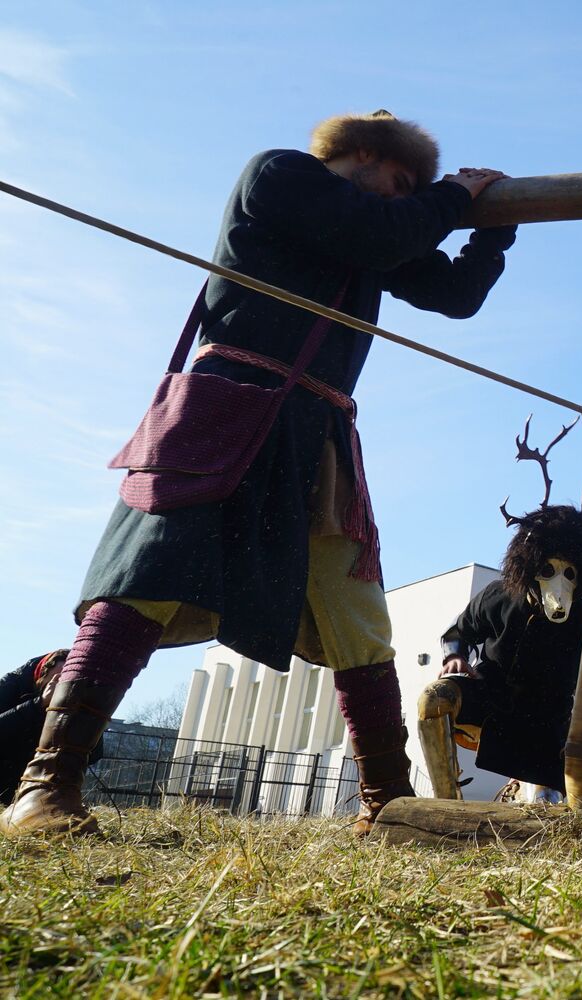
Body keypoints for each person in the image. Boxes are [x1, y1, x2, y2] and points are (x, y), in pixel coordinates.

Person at [1, 111, 515, 838]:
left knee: (357, 613)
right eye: (400, 181)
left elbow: (453, 295)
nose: (405, 197)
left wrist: (492, 235)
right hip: (226, 407)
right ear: (361, 152)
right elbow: (383, 233)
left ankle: (388, 805)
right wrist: (457, 195)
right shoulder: (281, 174)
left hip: (318, 433)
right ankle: (45, 787)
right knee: (145, 581)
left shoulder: (378, 230)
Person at [417, 505, 582, 799]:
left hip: (546, 722)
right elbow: (459, 631)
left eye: (570, 573)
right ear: (530, 565)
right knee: (433, 699)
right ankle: (446, 799)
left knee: (542, 808)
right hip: (490, 695)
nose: (560, 583)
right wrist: (455, 656)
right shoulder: (499, 595)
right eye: (548, 570)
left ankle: (533, 788)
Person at [0, 652, 106, 805]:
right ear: (41, 675)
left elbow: (94, 755)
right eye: (57, 680)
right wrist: (39, 703)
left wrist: (84, 711)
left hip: (38, 788)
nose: (60, 691)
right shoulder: (11, 685)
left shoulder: (78, 699)